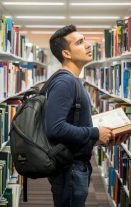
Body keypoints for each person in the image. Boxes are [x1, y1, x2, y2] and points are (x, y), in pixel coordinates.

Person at [46, 24, 115, 207]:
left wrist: (99, 138)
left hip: (75, 166)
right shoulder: (64, 83)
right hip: (70, 169)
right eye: (80, 42)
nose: (88, 45)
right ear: (66, 54)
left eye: (85, 40)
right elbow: (55, 128)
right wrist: (94, 133)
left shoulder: (73, 81)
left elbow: (73, 124)